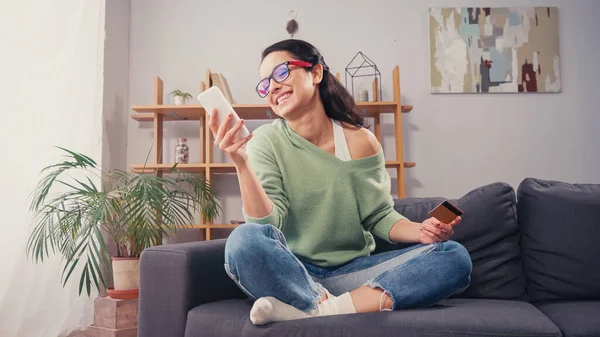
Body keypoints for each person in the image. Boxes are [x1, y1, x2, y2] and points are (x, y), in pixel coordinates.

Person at [208, 39, 472, 326]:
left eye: (281, 73)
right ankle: (322, 302)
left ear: (316, 73)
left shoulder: (360, 142)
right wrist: (241, 162)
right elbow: (268, 225)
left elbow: (379, 215)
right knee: (243, 240)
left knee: (454, 257)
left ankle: (316, 310)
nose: (272, 86)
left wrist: (421, 231)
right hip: (293, 272)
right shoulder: (263, 142)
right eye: (265, 84)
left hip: (352, 272)